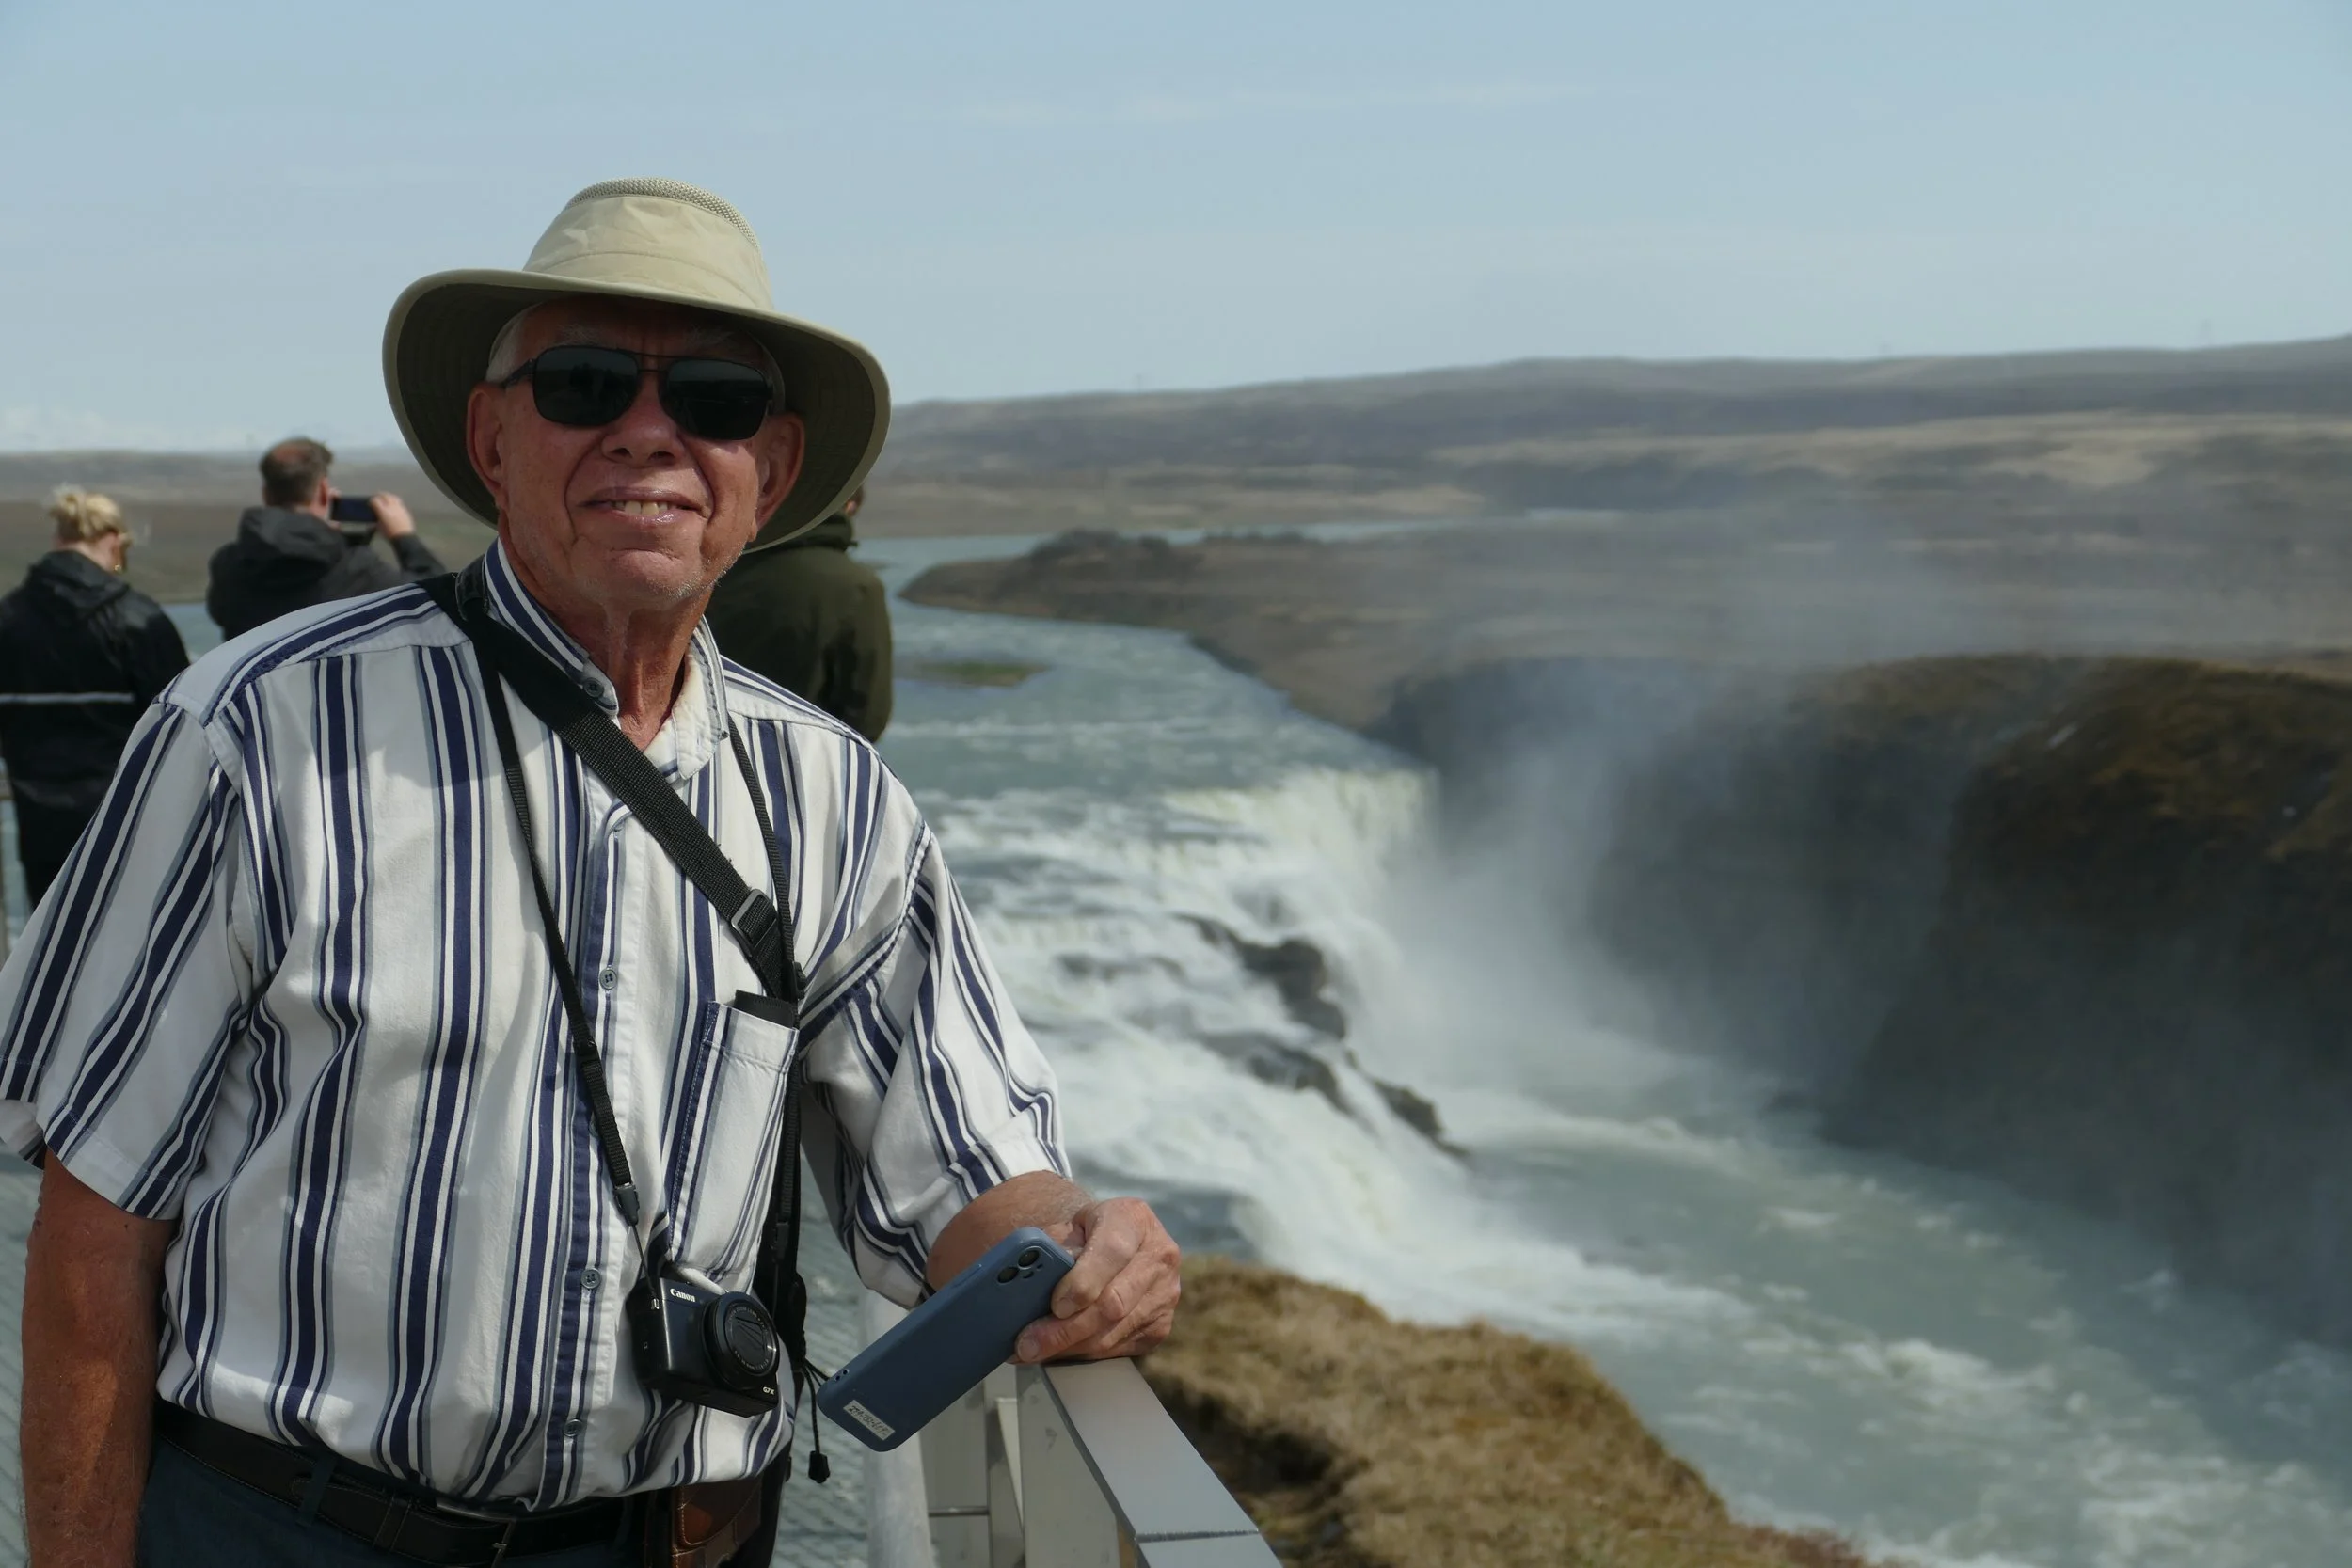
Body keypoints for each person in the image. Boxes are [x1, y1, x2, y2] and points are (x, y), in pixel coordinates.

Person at [0, 177, 1178, 1568]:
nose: (650, 432)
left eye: (719, 399)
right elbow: (97, 1231)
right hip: (285, 1528)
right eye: (585, 381)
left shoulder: (839, 802)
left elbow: (969, 1165)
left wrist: (1085, 1237)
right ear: (491, 437)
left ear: (775, 469)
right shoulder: (255, 732)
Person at [0, 487, 188, 907]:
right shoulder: (140, 619)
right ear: (114, 540)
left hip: (39, 820)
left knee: (52, 944)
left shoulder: (8, 618)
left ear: (57, 540)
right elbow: (183, 723)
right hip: (129, 817)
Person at [204, 436, 448, 638]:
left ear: (266, 494)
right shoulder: (356, 568)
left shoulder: (228, 565)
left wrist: (322, 536)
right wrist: (403, 536)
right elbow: (439, 601)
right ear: (323, 490)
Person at [704, 483, 894, 740]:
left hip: (705, 751)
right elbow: (867, 715)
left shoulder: (715, 570)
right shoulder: (855, 586)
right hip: (803, 761)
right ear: (848, 506)